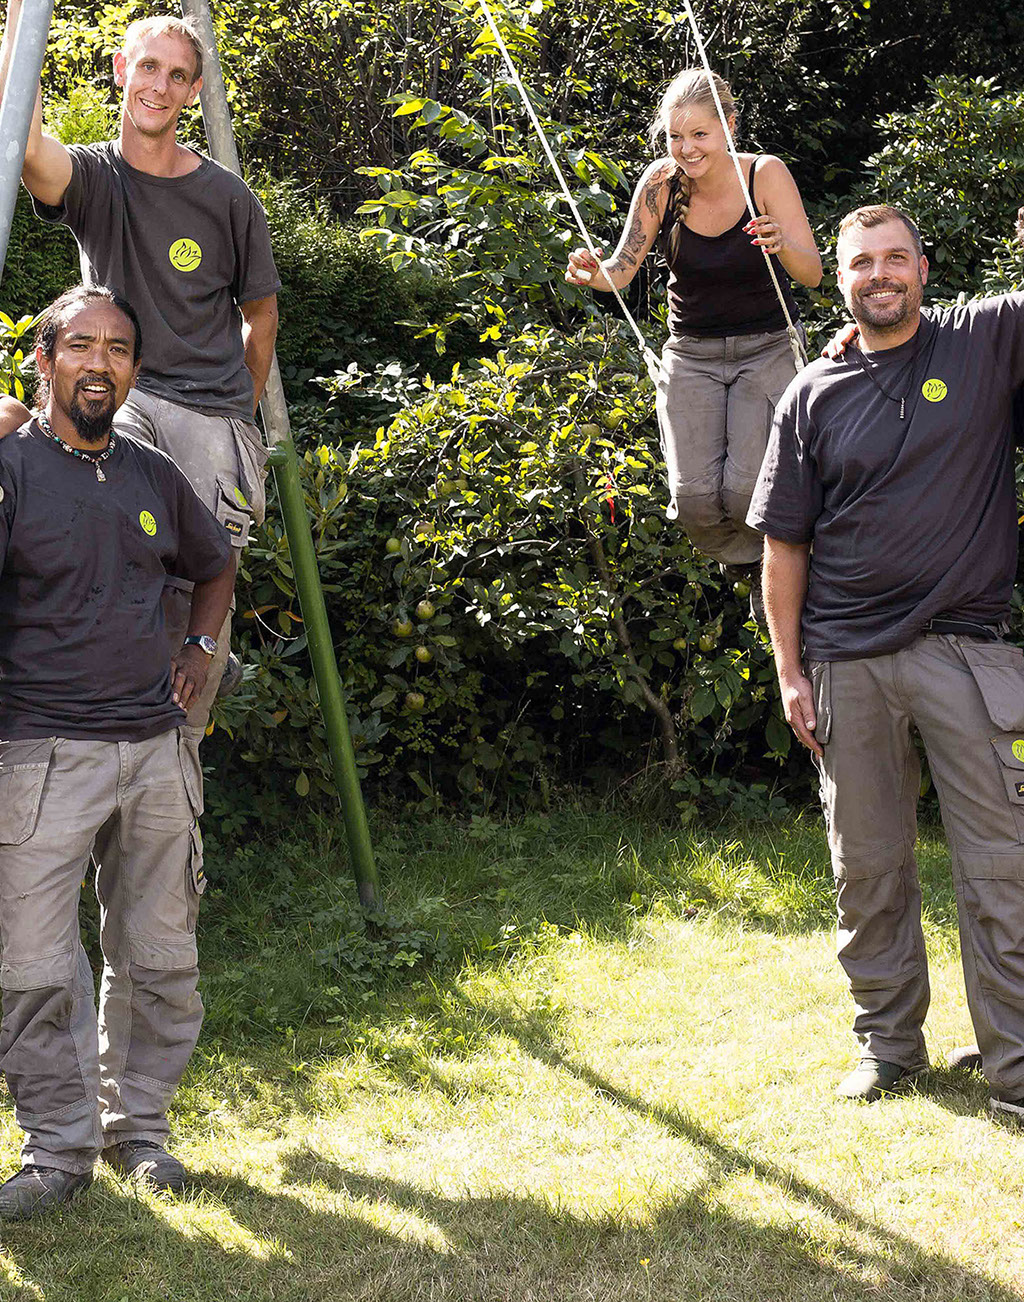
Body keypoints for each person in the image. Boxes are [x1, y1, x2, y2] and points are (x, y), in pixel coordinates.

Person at [748, 203, 1024, 1113]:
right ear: (840, 277)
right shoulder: (811, 394)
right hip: (844, 662)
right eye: (861, 262)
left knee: (1003, 866)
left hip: (968, 654)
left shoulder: (983, 341)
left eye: (895, 258)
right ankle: (889, 1048)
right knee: (867, 870)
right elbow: (783, 546)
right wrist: (790, 669)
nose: (880, 275)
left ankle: (1017, 1064)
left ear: (924, 268)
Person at [0, 285, 236, 1220]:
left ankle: (140, 1132)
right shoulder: (11, 467)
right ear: (45, 359)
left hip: (154, 750)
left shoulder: (149, 472)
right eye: (81, 345)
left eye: (119, 349)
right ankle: (56, 1151)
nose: (100, 363)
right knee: (30, 966)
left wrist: (201, 647)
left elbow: (214, 562)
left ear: (135, 369)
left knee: (158, 954)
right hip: (39, 754)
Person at [0, 2, 280, 733]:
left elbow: (261, 316)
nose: (159, 85)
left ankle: (177, 750)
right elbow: (22, 141)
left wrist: (239, 416)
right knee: (95, 541)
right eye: (148, 67)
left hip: (210, 411)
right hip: (123, 395)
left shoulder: (228, 199)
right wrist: (22, 14)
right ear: (122, 70)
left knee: (196, 597)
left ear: (193, 92)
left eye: (178, 75)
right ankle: (87, 729)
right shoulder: (96, 177)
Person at [564, 68, 821, 615]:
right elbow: (621, 269)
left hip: (768, 347)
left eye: (699, 134)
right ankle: (748, 561)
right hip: (692, 353)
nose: (686, 148)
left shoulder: (765, 175)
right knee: (695, 501)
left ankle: (772, 575)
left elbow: (814, 274)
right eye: (675, 136)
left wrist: (781, 243)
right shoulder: (662, 183)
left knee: (749, 490)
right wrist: (592, 273)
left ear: (729, 126)